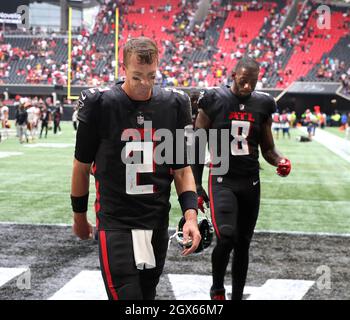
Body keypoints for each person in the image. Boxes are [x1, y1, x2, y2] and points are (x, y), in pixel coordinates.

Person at [71, 37, 201, 300]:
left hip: (156, 222)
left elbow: (182, 169)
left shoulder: (173, 104)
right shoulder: (101, 104)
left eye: (151, 76)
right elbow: (81, 166)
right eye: (137, 77)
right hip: (116, 221)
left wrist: (190, 216)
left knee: (147, 297)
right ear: (123, 68)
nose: (145, 84)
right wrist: (79, 217)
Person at [191, 57, 291, 300]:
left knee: (243, 243)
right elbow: (196, 144)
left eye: (253, 82)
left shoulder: (263, 104)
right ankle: (217, 288)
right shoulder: (214, 100)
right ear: (233, 75)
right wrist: (196, 185)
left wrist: (280, 160)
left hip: (250, 182)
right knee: (226, 236)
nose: (248, 87)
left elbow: (268, 148)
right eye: (244, 81)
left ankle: (236, 296)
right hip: (222, 180)